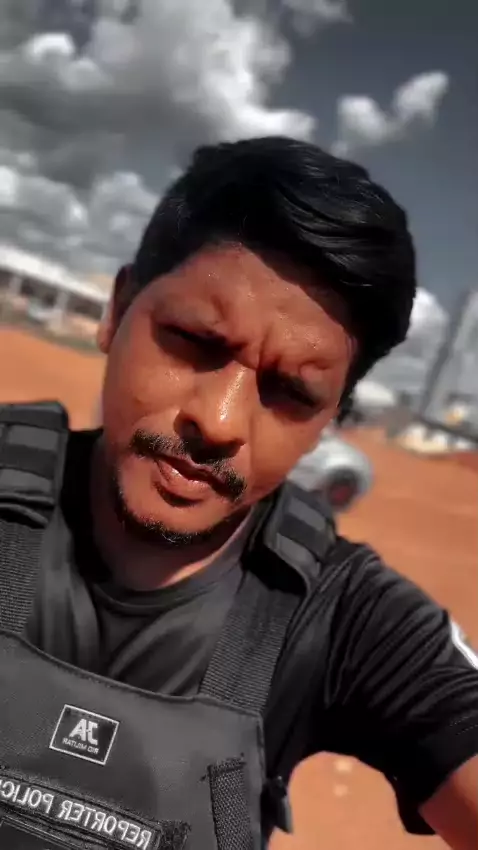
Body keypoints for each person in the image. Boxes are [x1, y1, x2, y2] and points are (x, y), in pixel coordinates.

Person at [0, 137, 477, 850]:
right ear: (117, 310)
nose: (220, 422)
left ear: (330, 420)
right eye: (194, 341)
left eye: (291, 392)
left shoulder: (348, 621)